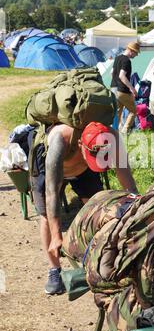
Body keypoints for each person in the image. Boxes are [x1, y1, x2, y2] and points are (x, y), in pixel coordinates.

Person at [30, 121, 138, 295]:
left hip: (81, 167)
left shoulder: (112, 138)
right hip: (49, 165)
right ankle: (54, 270)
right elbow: (52, 194)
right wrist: (57, 236)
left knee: (97, 207)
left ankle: (95, 263)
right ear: (81, 143)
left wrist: (136, 209)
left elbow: (129, 185)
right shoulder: (59, 141)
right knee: (46, 215)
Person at [111, 42, 140, 134]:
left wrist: (115, 82)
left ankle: (115, 131)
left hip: (113, 88)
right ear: (131, 51)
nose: (136, 55)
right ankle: (125, 130)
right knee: (134, 111)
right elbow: (122, 75)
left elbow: (112, 72)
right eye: (136, 53)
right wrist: (132, 88)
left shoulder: (117, 58)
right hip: (122, 90)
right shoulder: (126, 61)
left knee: (117, 113)